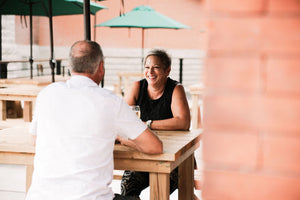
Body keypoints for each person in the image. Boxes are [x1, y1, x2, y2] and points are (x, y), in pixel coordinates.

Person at [25, 40, 163, 200]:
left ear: (70, 66)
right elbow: (155, 146)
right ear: (101, 67)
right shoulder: (110, 102)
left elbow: (35, 140)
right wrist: (123, 140)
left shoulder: (47, 94)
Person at [117, 49, 190, 199]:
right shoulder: (137, 86)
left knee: (158, 192)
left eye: (155, 67)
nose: (150, 71)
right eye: (147, 67)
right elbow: (122, 119)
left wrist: (147, 124)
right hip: (142, 152)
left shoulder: (176, 89)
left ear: (167, 70)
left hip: (171, 155)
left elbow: (183, 122)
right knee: (128, 187)